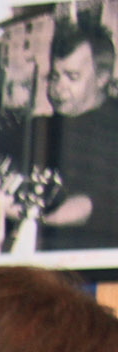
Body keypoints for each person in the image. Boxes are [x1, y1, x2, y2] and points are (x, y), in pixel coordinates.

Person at [35, 17, 118, 249]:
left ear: (101, 79)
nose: (58, 88)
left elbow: (96, 203)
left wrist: (31, 219)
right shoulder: (51, 122)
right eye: (54, 76)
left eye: (72, 77)